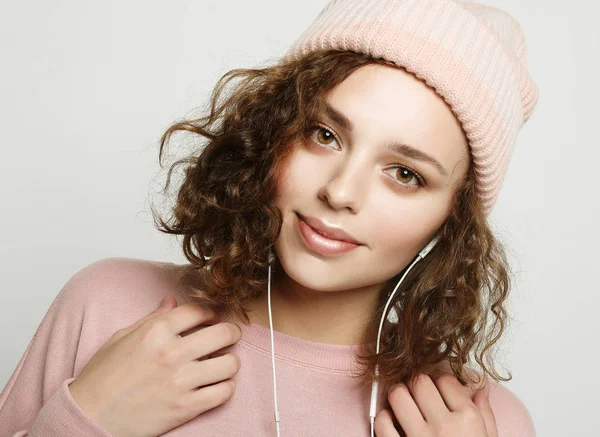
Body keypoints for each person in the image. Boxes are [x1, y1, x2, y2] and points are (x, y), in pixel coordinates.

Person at [0, 0, 539, 436]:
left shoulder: (480, 420)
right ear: (273, 130)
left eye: (404, 174)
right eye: (324, 135)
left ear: (452, 222)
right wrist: (83, 423)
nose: (340, 191)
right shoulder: (109, 305)